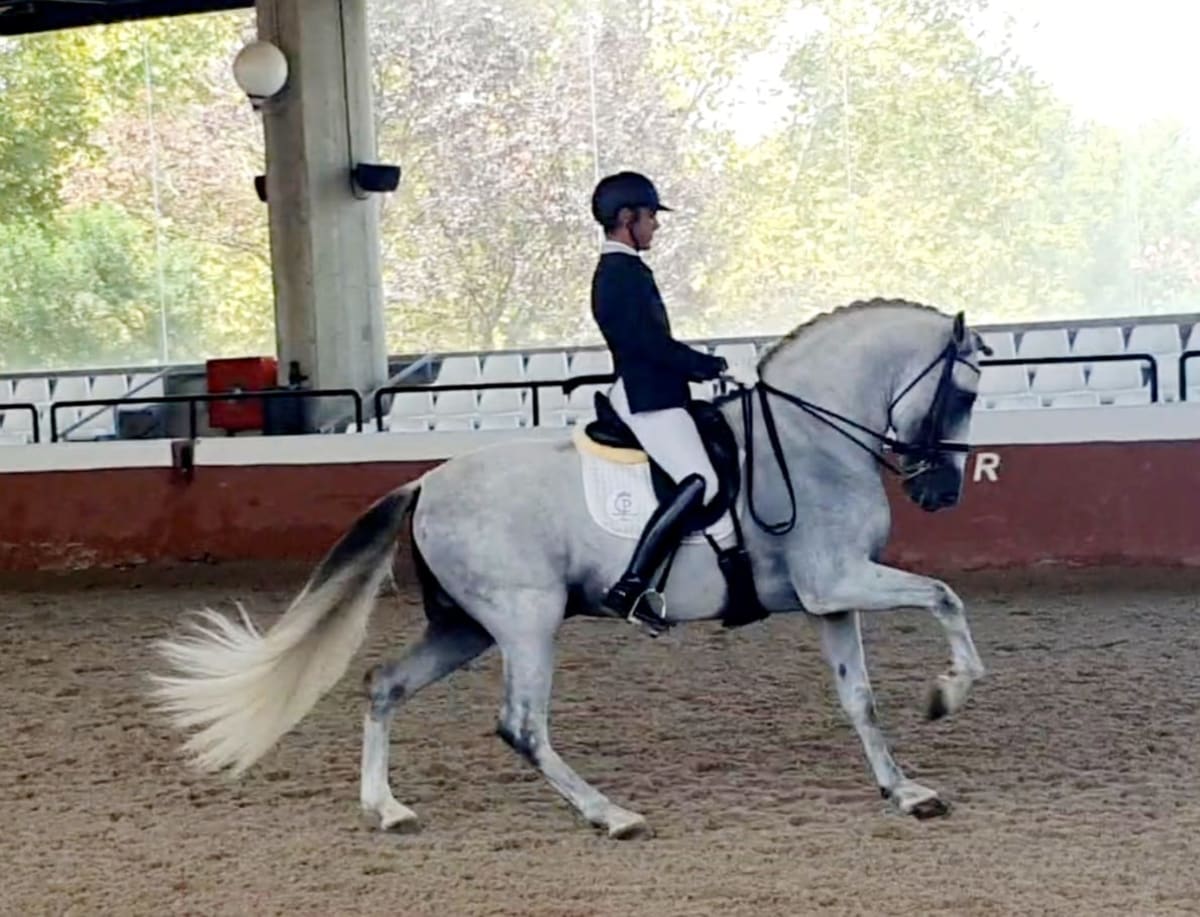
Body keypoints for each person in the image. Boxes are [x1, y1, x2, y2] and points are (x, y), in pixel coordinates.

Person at [588, 170, 765, 628]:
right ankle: (631, 586)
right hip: (648, 395)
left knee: (711, 467)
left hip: (659, 391)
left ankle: (741, 590)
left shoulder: (627, 270)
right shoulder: (618, 274)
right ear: (628, 218)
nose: (656, 226)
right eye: (650, 217)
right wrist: (717, 367)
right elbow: (649, 345)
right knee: (699, 480)